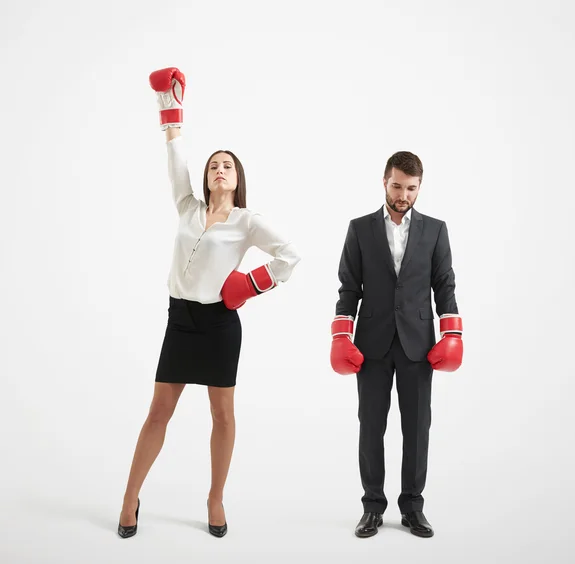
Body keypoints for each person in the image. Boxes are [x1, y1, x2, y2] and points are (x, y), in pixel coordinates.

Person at [117, 67, 300, 539]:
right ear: (206, 178)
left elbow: (290, 255)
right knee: (159, 412)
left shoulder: (247, 220)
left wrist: (253, 283)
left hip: (220, 325)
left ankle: (215, 498)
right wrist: (171, 116)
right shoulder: (188, 208)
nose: (220, 170)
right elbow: (175, 157)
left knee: (223, 414)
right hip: (180, 321)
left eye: (228, 166)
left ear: (238, 179)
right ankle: (130, 495)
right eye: (214, 165)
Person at [330, 151, 462, 539]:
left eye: (411, 188)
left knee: (417, 428)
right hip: (371, 343)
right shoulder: (359, 228)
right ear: (384, 182)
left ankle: (413, 507)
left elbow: (445, 285)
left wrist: (451, 333)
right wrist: (341, 334)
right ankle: (372, 506)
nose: (403, 194)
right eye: (396, 186)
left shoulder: (436, 230)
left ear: (419, 187)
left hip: (419, 344)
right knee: (370, 426)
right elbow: (349, 287)